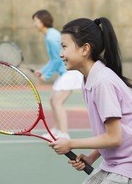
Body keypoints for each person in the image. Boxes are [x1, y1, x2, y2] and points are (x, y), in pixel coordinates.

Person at [50, 17, 132, 183]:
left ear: (85, 49)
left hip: (127, 167)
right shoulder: (89, 79)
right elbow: (108, 133)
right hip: (113, 164)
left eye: (64, 47)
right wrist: (91, 157)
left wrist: (71, 143)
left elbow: (114, 137)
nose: (60, 54)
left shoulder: (102, 82)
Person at [32, 10, 83, 140]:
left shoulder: (51, 36)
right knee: (53, 100)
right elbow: (54, 59)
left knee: (57, 102)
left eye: (36, 21)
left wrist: (46, 75)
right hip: (65, 73)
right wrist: (43, 70)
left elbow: (57, 59)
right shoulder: (51, 34)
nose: (34, 24)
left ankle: (64, 133)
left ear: (43, 21)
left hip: (70, 73)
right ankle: (57, 130)